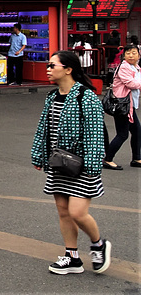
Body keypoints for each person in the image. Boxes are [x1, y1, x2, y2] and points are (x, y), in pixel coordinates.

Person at [31, 50, 111, 275]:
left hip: (82, 165)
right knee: (63, 212)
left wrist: (92, 166)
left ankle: (98, 244)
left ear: (68, 69)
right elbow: (44, 129)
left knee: (77, 212)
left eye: (52, 65)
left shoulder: (86, 97)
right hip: (59, 164)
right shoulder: (52, 96)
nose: (48, 68)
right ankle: (72, 257)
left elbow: (95, 134)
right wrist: (38, 155)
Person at [103, 44, 141, 170]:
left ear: (138, 54)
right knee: (122, 134)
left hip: (129, 105)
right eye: (128, 53)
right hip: (122, 106)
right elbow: (132, 84)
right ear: (124, 55)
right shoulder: (124, 67)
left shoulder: (136, 67)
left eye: (134, 52)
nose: (131, 55)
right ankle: (108, 159)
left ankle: (136, 158)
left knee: (137, 131)